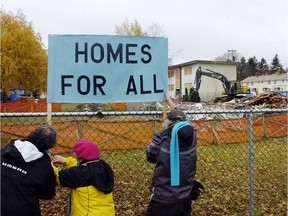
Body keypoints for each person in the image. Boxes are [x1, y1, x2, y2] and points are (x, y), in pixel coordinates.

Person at [146, 92, 197, 216]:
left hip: (163, 197)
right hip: (185, 195)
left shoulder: (161, 140)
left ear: (168, 123)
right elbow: (184, 121)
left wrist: (164, 132)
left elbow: (150, 157)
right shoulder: (192, 137)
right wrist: (169, 101)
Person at [1, 124, 57, 216]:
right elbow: (48, 194)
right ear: (49, 146)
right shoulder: (43, 165)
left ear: (32, 134)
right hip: (25, 209)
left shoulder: (7, 149)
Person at [52, 139, 115, 216]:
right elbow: (82, 170)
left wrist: (46, 162)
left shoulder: (80, 173)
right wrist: (66, 160)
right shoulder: (103, 167)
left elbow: (56, 177)